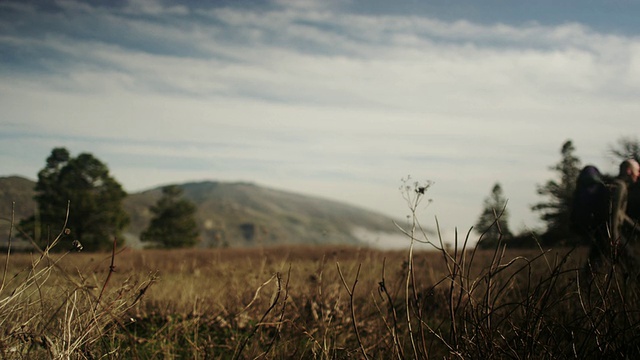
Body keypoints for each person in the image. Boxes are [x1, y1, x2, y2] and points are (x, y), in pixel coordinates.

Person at [587, 159, 640, 274]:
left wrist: (636, 229)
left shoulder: (617, 185)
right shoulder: (619, 187)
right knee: (633, 266)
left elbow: (621, 215)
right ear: (629, 171)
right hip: (610, 235)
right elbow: (613, 216)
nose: (638, 174)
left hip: (604, 235)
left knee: (591, 271)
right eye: (637, 171)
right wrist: (613, 239)